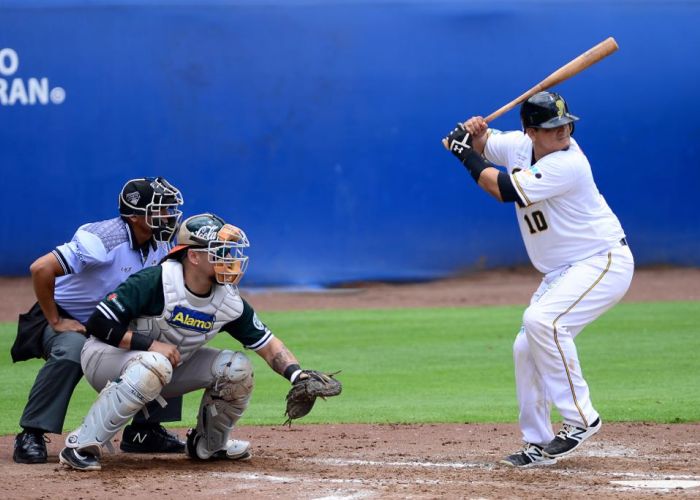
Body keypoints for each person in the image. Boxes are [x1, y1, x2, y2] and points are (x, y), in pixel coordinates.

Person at [443, 91, 634, 467]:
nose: (563, 130)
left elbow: (502, 189)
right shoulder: (518, 146)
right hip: (562, 271)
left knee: (541, 321)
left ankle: (581, 418)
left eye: (566, 124)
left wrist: (462, 152)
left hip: (601, 260)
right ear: (530, 131)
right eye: (552, 126)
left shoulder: (570, 163)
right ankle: (538, 443)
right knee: (525, 347)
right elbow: (485, 142)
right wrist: (473, 132)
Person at [58, 213, 323, 471]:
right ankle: (80, 445)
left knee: (236, 368)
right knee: (156, 363)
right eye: (219, 251)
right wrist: (150, 345)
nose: (229, 259)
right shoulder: (156, 281)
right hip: (104, 358)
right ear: (193, 256)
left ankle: (209, 446)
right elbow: (98, 323)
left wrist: (296, 374)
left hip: (161, 370)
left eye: (229, 251)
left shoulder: (227, 300)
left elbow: (268, 344)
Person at [11, 177, 187, 464]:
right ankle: (30, 433)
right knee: (71, 350)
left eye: (168, 209)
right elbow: (40, 268)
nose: (167, 216)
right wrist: (55, 320)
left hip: (115, 322)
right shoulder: (103, 239)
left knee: (166, 341)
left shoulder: (161, 242)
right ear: (134, 215)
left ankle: (144, 431)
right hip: (69, 316)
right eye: (159, 209)